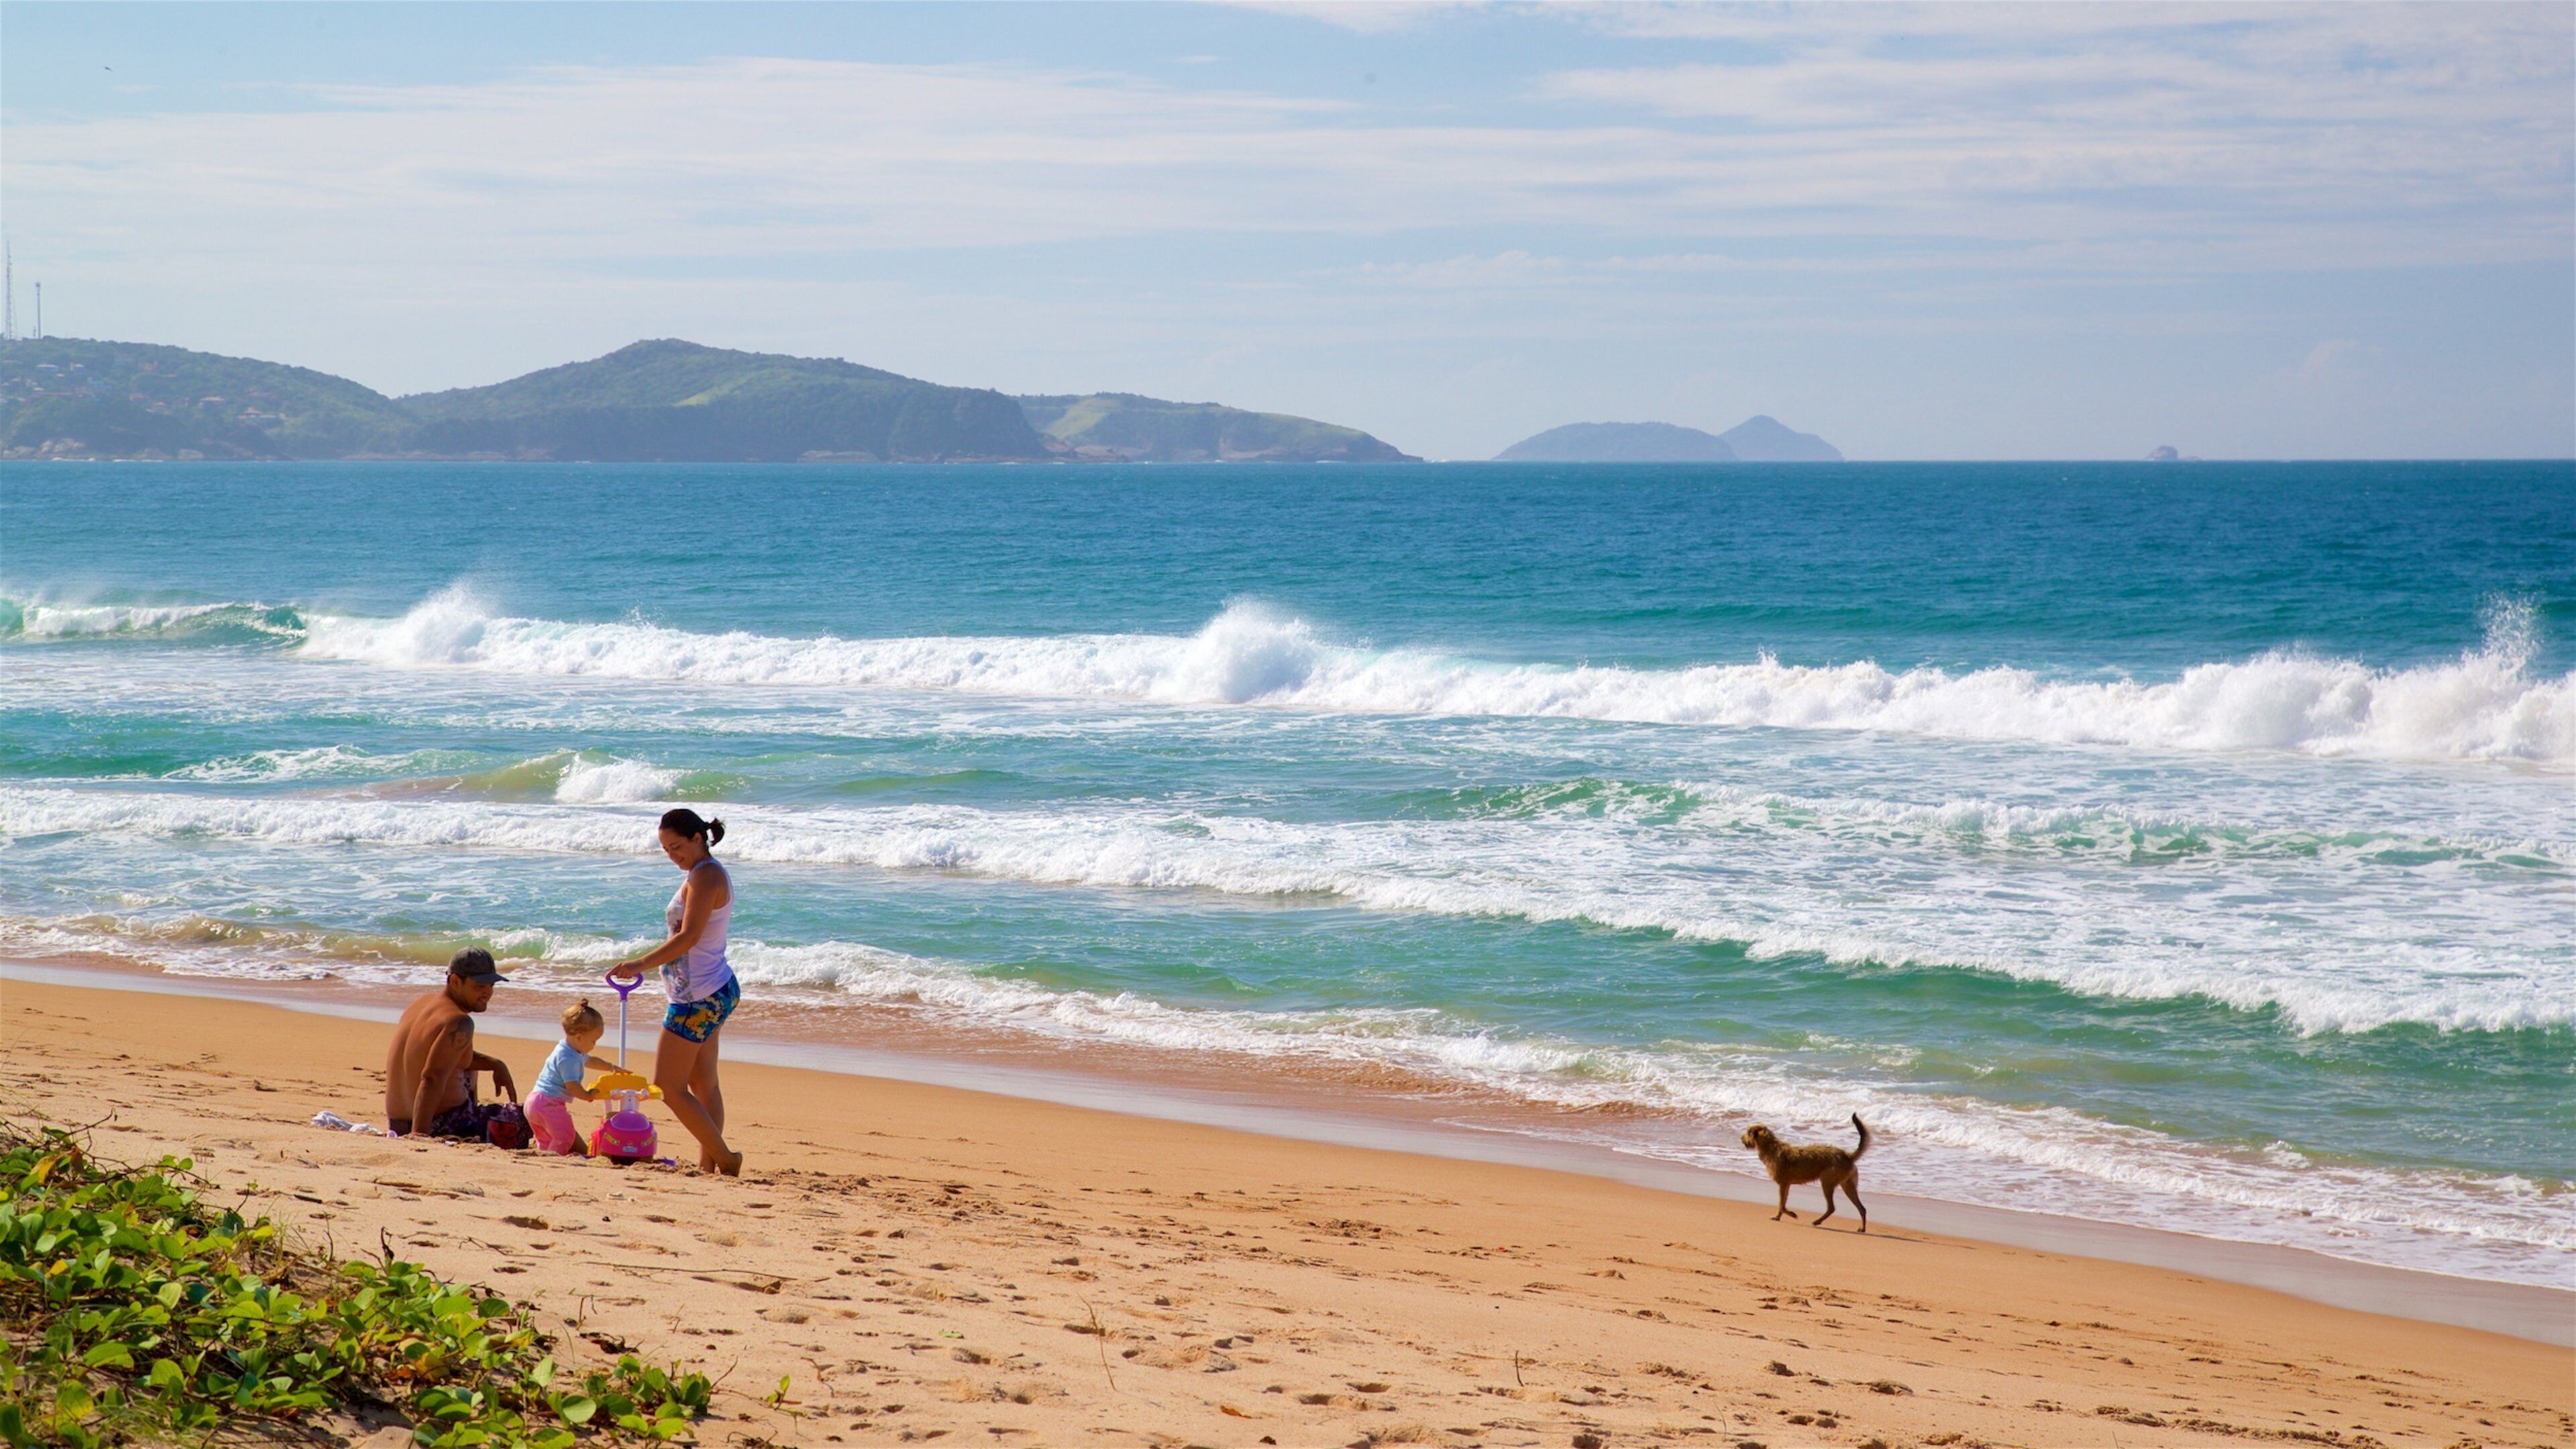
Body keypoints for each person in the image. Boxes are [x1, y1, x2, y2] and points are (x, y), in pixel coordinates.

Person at [609, 808, 744, 1175]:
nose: (673, 856)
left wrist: (639, 964)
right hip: (712, 989)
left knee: (668, 1086)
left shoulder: (707, 877)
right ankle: (709, 1165)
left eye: (677, 847)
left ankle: (727, 1158)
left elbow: (689, 937)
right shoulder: (701, 872)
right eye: (666, 850)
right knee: (703, 1083)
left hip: (697, 999)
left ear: (699, 838)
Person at [385, 948, 522, 1140]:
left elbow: (442, 1055)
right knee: (533, 1116)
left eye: (491, 985)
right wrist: (419, 1136)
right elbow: (432, 1078)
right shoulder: (459, 1022)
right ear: (456, 981)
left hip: (399, 1123)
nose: (488, 992)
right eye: (480, 986)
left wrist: (495, 1064)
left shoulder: (421, 1004)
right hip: (442, 1125)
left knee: (465, 1063)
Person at [525, 999, 619, 1155]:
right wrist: (587, 1095)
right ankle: (554, 1160)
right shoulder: (567, 1058)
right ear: (580, 1037)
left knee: (546, 1139)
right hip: (549, 1104)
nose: (594, 1046)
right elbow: (572, 1086)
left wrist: (611, 1067)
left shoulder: (570, 1049)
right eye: (594, 1041)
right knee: (565, 1138)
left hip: (535, 1102)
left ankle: (543, 1157)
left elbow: (591, 1061)